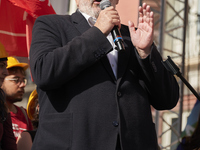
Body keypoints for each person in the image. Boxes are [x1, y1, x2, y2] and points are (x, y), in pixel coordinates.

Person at [29, 0, 179, 149]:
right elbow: (44, 72)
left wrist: (146, 53)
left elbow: (168, 99)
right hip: (76, 142)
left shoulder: (132, 36)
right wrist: (98, 32)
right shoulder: (51, 24)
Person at [1, 56, 33, 141]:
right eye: (16, 80)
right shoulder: (1, 113)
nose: (23, 85)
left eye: (23, 80)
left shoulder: (25, 115)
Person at [0, 42, 17, 150]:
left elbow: (9, 142)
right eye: (1, 66)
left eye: (5, 67)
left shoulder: (1, 101)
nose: (6, 72)